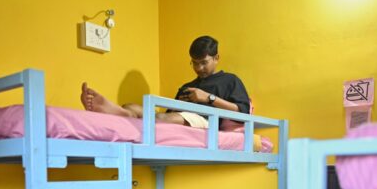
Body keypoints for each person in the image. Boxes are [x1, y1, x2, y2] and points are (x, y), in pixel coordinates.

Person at [80, 36, 251, 129]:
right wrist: (179, 103)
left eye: (203, 62)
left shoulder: (229, 80)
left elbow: (243, 112)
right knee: (131, 105)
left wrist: (209, 98)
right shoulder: (187, 85)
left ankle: (123, 115)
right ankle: (124, 112)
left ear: (216, 58)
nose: (198, 68)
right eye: (194, 62)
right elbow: (171, 112)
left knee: (160, 118)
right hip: (181, 115)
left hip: (205, 120)